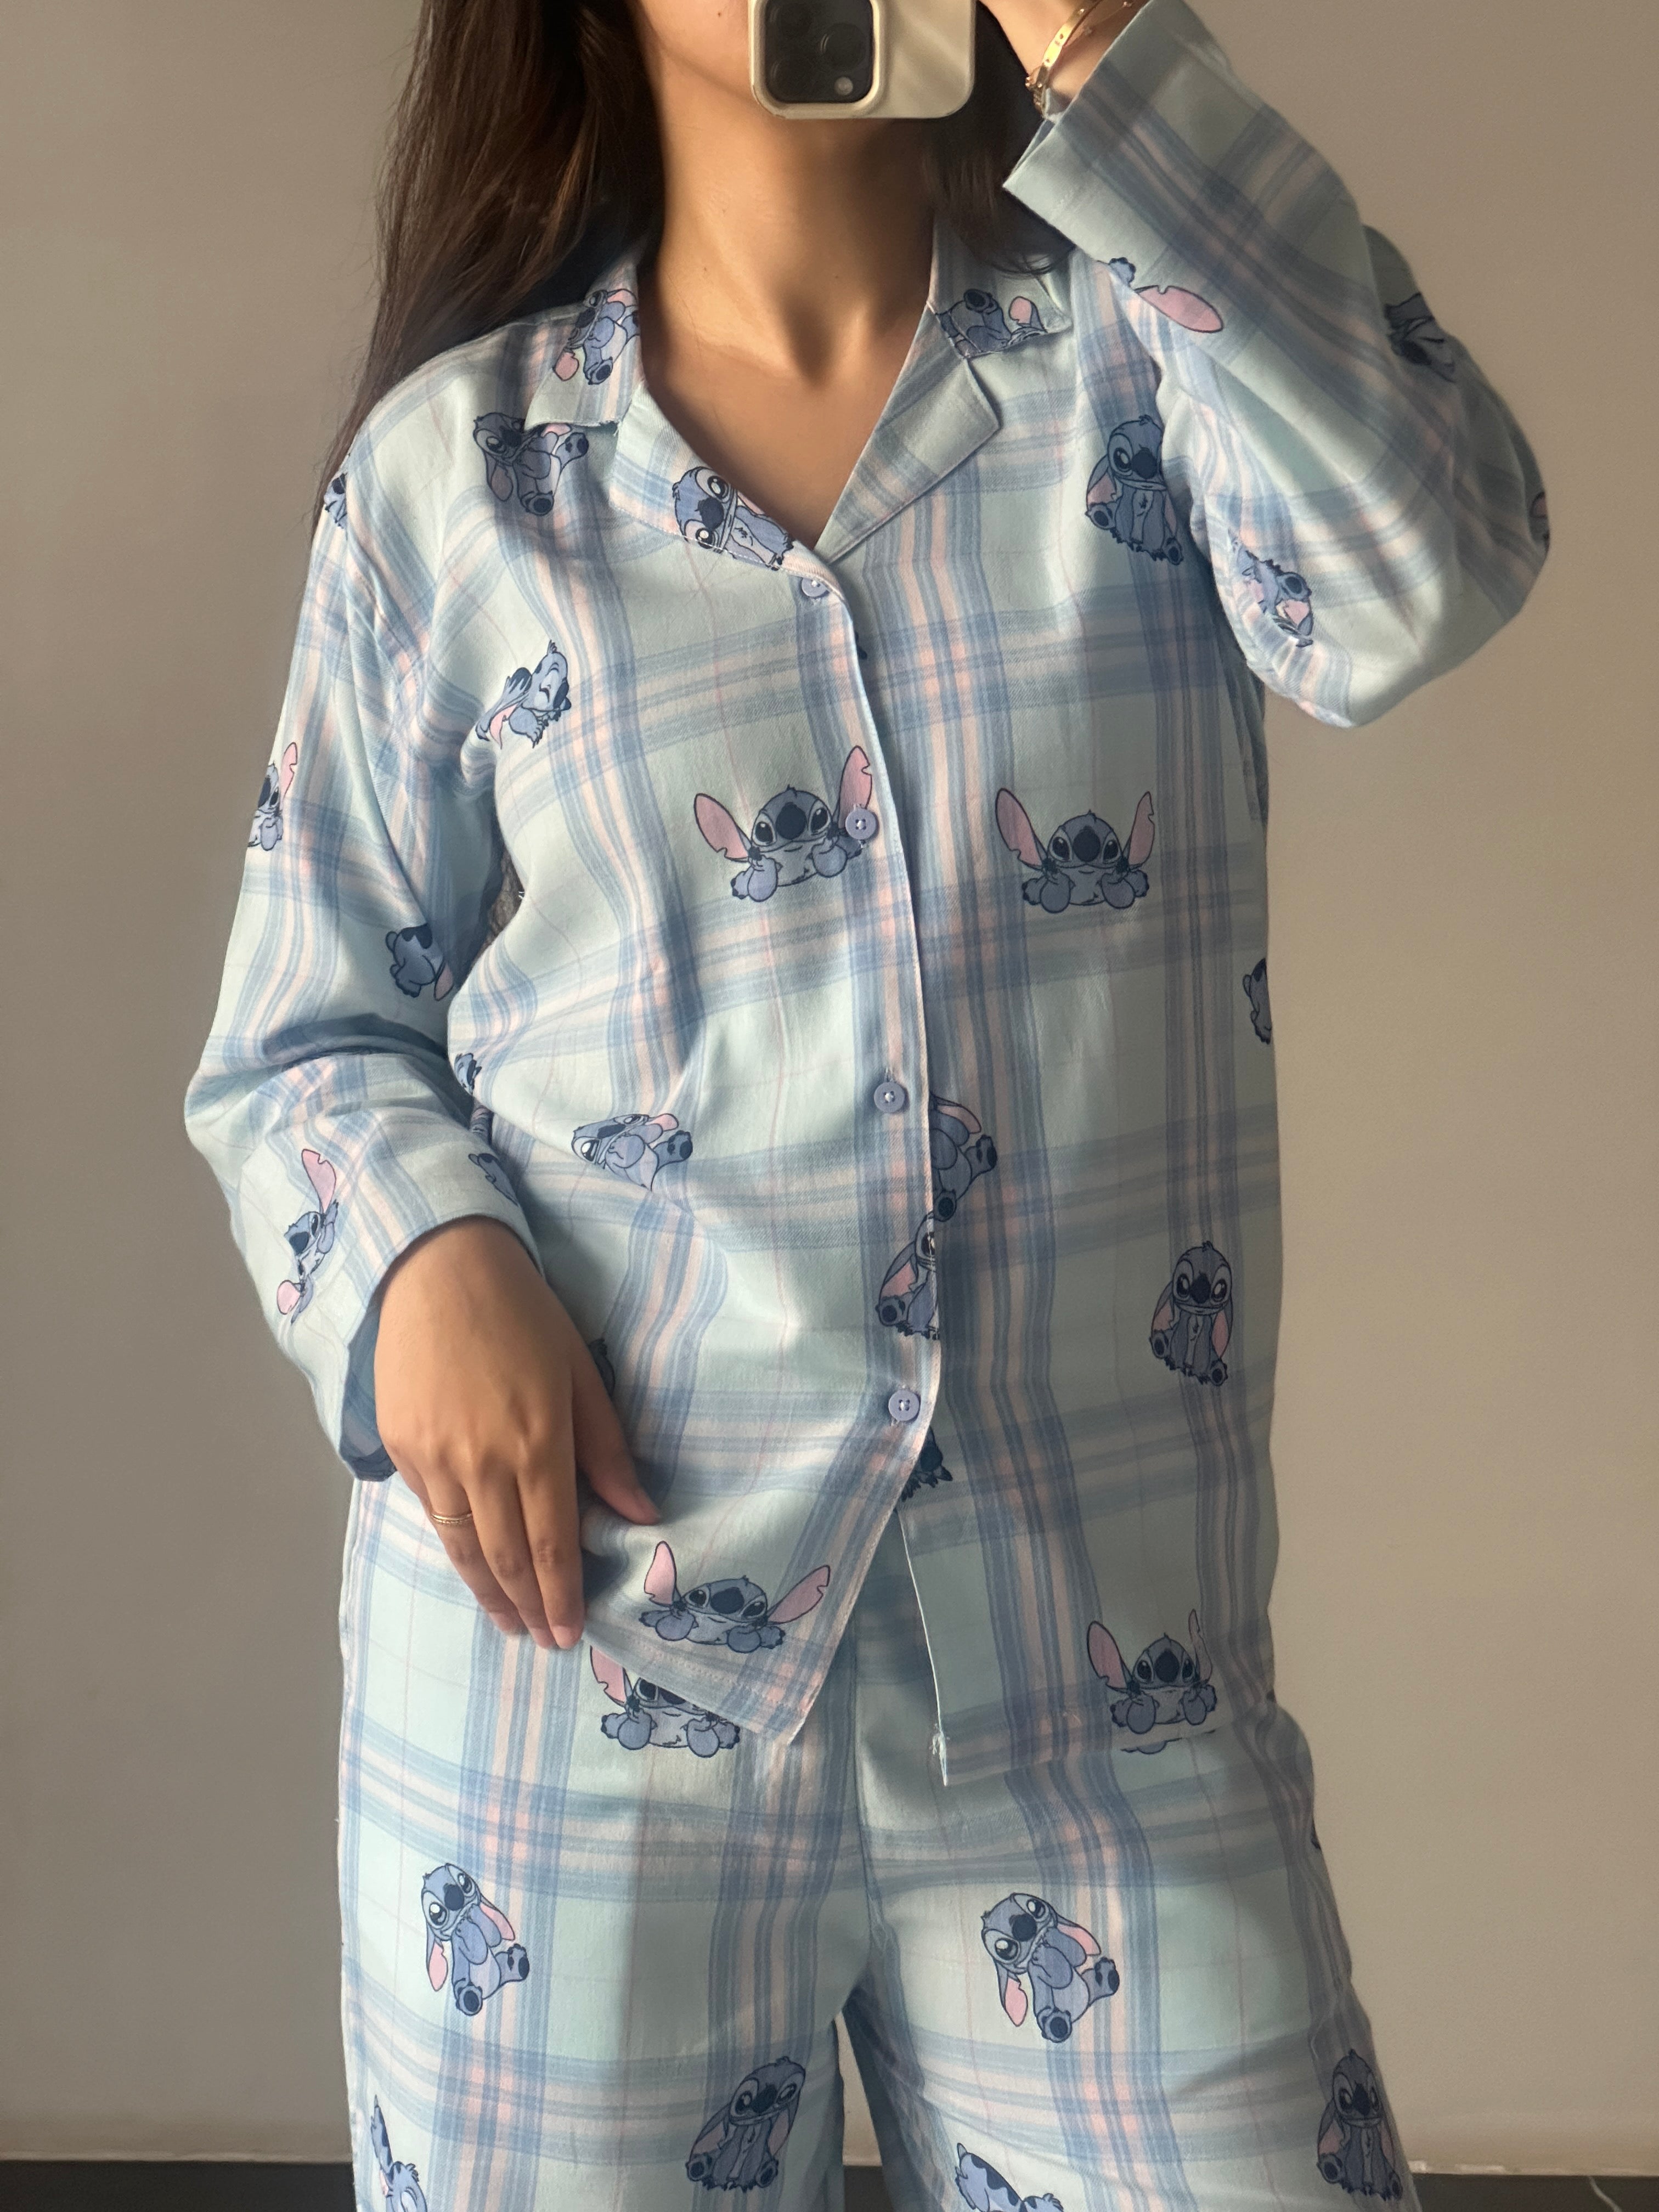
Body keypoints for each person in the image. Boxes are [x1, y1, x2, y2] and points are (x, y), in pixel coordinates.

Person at [184, 0, 1547, 2206]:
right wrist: (423, 1261)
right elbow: (301, 1031)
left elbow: (1425, 572)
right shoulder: (464, 479)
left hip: (1108, 1691)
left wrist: (1102, 44)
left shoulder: (1142, 374)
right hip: (575, 1684)